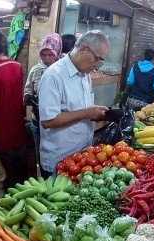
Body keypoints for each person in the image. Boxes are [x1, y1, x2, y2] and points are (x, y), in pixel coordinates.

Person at [37, 30, 110, 177]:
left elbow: (79, 109)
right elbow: (48, 120)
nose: (97, 65)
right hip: (59, 161)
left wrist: (94, 113)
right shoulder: (54, 76)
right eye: (97, 58)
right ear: (83, 49)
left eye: (101, 61)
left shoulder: (85, 75)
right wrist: (87, 113)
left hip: (81, 156)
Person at [0, 30, 27, 189]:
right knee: (22, 181)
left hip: (1, 135)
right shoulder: (17, 66)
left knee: (7, 183)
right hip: (19, 133)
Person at [24, 33, 62, 164]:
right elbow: (27, 89)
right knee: (41, 155)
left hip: (57, 123)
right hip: (37, 121)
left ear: (57, 53)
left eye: (50, 55)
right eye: (43, 54)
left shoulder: (61, 72)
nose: (46, 58)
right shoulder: (35, 70)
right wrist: (29, 97)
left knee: (56, 156)